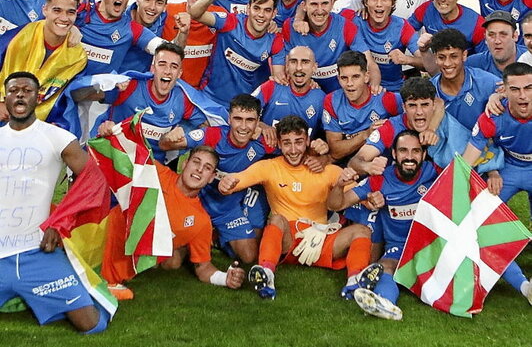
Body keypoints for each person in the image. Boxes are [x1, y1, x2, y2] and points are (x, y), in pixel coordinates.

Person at [0, 72, 109, 333]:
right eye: (14, 90)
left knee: (90, 324)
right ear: (5, 99)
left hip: (38, 252)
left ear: (37, 98)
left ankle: (47, 292)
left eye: (27, 90)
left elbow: (94, 181)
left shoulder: (57, 137)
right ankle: (33, 297)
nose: (20, 94)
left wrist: (59, 222)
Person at [219, 115, 372, 300]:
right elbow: (236, 181)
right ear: (279, 144)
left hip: (321, 237)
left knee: (362, 231)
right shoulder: (269, 167)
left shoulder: (328, 170)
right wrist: (225, 184)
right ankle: (266, 274)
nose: (293, 150)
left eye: (298, 142)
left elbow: (362, 196)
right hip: (287, 241)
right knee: (276, 219)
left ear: (307, 141)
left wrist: (373, 197)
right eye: (287, 143)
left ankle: (355, 282)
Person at [101, 144, 245, 299]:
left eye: (207, 167)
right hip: (98, 236)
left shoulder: (201, 222)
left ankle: (110, 279)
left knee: (171, 261)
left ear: (211, 177)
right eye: (196, 162)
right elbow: (122, 154)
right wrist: (110, 132)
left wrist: (225, 278)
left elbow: (203, 268)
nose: (199, 169)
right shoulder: (156, 173)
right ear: (185, 164)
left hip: (118, 269)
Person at [328, 129, 438, 320]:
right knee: (384, 267)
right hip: (398, 248)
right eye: (403, 151)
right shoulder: (380, 180)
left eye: (416, 151)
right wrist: (339, 185)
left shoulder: (435, 173)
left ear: (424, 154)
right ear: (394, 154)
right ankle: (385, 304)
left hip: (430, 246)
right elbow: (335, 204)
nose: (410, 157)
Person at [159, 94, 275, 264]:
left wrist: (321, 157)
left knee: (249, 256)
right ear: (229, 119)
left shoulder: (264, 143)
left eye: (249, 120)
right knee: (172, 262)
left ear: (258, 122)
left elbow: (294, 152)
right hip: (196, 204)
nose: (243, 126)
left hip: (227, 210)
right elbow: (165, 145)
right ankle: (197, 237)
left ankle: (215, 236)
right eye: (237, 119)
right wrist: (169, 138)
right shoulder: (213, 135)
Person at [76, 42, 223, 164]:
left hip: (150, 170)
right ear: (153, 69)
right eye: (162, 64)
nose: (167, 71)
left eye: (173, 67)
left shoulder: (182, 99)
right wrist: (108, 84)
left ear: (179, 74)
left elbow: (211, 124)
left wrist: (186, 133)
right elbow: (79, 96)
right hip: (115, 160)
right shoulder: (130, 86)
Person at [273, 0, 380, 94]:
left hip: (340, 95)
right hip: (305, 92)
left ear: (332, 4)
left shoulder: (345, 26)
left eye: (324, 4)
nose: (320, 10)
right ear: (304, 6)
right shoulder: (290, 27)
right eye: (314, 4)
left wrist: (374, 87)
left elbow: (369, 62)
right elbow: (285, 67)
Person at [0, 0, 87, 123]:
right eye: (57, 10)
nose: (64, 18)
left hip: (41, 127)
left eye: (70, 12)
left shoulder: (78, 57)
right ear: (45, 10)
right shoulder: (18, 37)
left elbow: (66, 100)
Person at [188, 0, 284, 108]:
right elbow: (194, 13)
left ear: (274, 13)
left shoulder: (275, 40)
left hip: (244, 109)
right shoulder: (230, 23)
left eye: (267, 10)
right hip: (210, 100)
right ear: (248, 9)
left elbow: (278, 79)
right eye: (256, 8)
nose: (261, 14)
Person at [463, 62, 532, 204]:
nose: (522, 95)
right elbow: (466, 162)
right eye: (514, 89)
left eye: (528, 88)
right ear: (504, 91)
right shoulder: (493, 117)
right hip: (508, 167)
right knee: (482, 210)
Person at [74, 0, 164, 75]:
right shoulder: (81, 11)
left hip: (102, 91)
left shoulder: (131, 29)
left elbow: (166, 49)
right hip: (65, 87)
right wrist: (70, 26)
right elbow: (51, 4)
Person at [341, 0, 422, 91]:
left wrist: (407, 59)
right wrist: (304, 22)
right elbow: (324, 15)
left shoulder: (402, 27)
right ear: (365, 2)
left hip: (394, 90)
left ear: (393, 3)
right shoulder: (353, 19)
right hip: (361, 90)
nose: (379, 4)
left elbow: (426, 63)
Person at [323, 50, 402, 165]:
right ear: (338, 78)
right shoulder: (332, 101)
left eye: (355, 77)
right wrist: (366, 134)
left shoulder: (385, 99)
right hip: (347, 165)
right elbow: (336, 151)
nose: (350, 83)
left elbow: (413, 113)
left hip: (382, 164)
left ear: (366, 77)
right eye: (344, 78)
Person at [423, 28, 500, 132]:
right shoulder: (428, 91)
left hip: (483, 146)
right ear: (435, 58)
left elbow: (512, 94)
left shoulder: (486, 82)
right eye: (441, 57)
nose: (447, 63)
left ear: (464, 55)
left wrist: (498, 95)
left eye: (453, 56)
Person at [253, 45, 325, 139]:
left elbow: (329, 134)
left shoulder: (321, 99)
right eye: (293, 62)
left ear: (314, 67)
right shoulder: (271, 87)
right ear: (287, 66)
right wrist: (262, 126)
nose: (299, 68)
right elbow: (243, 113)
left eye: (305, 62)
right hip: (267, 152)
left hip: (300, 153)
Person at [408, 0, 486, 54]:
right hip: (435, 64)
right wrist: (417, 49)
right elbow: (405, 30)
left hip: (466, 66)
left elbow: (484, 59)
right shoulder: (425, 9)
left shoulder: (476, 24)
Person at [120, 0, 170, 73]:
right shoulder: (119, 19)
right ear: (138, 0)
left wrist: (183, 33)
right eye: (148, 0)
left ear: (164, 7)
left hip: (141, 82)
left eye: (159, 3)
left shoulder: (164, 19)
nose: (152, 7)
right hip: (112, 81)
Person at [465, 11, 527, 78]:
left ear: (515, 36)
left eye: (503, 35)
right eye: (491, 35)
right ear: (485, 38)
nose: (497, 41)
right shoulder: (471, 64)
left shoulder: (529, 58)